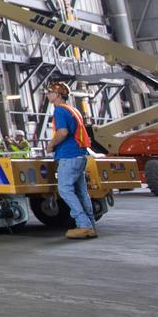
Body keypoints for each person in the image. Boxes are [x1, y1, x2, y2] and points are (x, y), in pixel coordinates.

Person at [45, 81, 96, 239]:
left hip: (69, 156)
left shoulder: (59, 110)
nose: (47, 95)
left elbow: (63, 132)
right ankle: (90, 225)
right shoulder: (74, 110)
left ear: (58, 95)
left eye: (50, 92)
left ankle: (84, 225)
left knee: (65, 190)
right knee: (81, 192)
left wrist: (51, 145)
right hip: (80, 155)